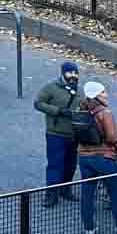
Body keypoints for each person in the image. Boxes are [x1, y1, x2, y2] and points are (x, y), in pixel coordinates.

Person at [75, 80, 117, 234]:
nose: (106, 94)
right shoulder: (105, 112)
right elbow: (113, 137)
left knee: (87, 194)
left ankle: (89, 229)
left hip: (84, 157)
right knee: (115, 195)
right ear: (97, 95)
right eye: (103, 92)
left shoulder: (80, 109)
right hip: (104, 157)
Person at [33, 61, 82, 204]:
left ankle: (65, 189)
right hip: (56, 133)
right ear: (62, 73)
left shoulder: (79, 92)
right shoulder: (51, 88)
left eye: (75, 73)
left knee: (71, 164)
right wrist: (58, 111)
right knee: (55, 164)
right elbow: (38, 103)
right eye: (70, 73)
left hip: (73, 134)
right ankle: (52, 193)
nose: (73, 76)